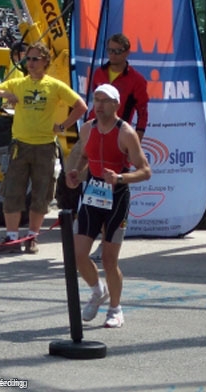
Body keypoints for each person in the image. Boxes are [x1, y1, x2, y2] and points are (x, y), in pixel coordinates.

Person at [0, 42, 87, 254]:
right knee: (12, 192)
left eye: (35, 59)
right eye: (28, 59)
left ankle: (31, 237)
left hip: (45, 147)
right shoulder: (19, 83)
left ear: (45, 61)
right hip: (20, 146)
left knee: (42, 194)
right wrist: (6, 94)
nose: (30, 63)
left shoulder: (54, 85)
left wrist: (63, 126)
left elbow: (80, 106)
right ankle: (12, 238)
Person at [66, 84, 151, 328]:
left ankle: (115, 309)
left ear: (116, 104)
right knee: (78, 254)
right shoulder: (87, 128)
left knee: (109, 260)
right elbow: (85, 156)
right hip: (93, 194)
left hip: (117, 197)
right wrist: (76, 173)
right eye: (96, 99)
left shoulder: (126, 132)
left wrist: (120, 178)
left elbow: (145, 171)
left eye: (105, 100)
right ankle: (97, 290)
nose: (99, 105)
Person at [87, 33, 149, 260]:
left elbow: (143, 111)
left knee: (113, 192)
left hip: (119, 137)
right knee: (94, 187)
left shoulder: (137, 79)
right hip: (96, 132)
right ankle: (91, 237)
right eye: (110, 50)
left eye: (117, 51)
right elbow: (94, 104)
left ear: (126, 52)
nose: (112, 55)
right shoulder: (99, 73)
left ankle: (107, 243)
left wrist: (136, 138)